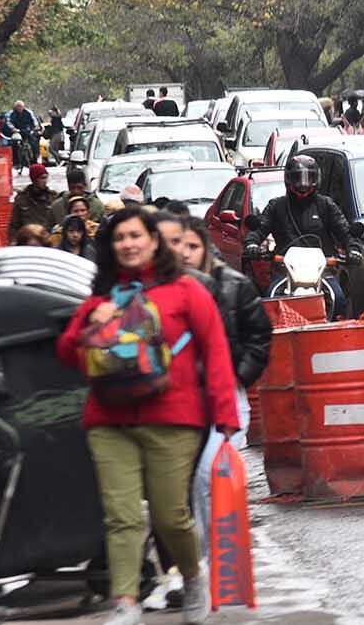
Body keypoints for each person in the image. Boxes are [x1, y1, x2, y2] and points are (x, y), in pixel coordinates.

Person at [56, 206, 238, 625]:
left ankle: (192, 577)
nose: (128, 244)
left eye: (136, 236)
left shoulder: (186, 291)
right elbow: (66, 353)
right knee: (120, 517)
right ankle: (125, 602)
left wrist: (226, 418)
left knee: (169, 515)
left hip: (174, 418)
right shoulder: (101, 297)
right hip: (108, 420)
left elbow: (215, 354)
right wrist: (91, 324)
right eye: (120, 239)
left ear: (154, 240)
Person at [170, 218, 270, 551]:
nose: (185, 254)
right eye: (177, 246)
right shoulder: (163, 291)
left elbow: (259, 336)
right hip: (181, 405)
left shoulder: (233, 286)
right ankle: (199, 557)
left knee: (210, 475)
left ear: (205, 248)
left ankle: (224, 551)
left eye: (192, 246)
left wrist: (237, 375)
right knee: (184, 485)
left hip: (226, 401)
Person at [242, 154, 362, 316]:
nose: (303, 184)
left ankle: (337, 331)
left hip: (323, 271)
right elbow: (259, 229)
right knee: (270, 301)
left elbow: (345, 232)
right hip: (284, 271)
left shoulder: (326, 205)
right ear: (288, 180)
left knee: (339, 299)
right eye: (297, 178)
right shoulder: (277, 206)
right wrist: (252, 244)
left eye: (308, 178)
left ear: (316, 179)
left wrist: (353, 249)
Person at [10, 163, 55, 242]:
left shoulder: (52, 197)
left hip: (47, 241)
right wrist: (14, 242)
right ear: (34, 179)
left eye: (46, 178)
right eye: (41, 178)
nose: (45, 181)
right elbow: (14, 225)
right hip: (28, 242)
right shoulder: (21, 199)